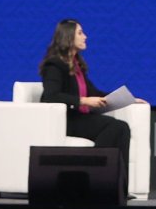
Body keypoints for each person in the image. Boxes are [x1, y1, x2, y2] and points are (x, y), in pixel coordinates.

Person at [38, 18, 145, 182]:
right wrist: (84, 101)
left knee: (122, 128)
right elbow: (51, 96)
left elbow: (94, 92)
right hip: (66, 119)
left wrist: (128, 100)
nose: (85, 37)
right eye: (80, 33)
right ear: (68, 37)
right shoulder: (54, 65)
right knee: (113, 127)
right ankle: (97, 177)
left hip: (80, 117)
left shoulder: (76, 65)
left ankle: (119, 184)